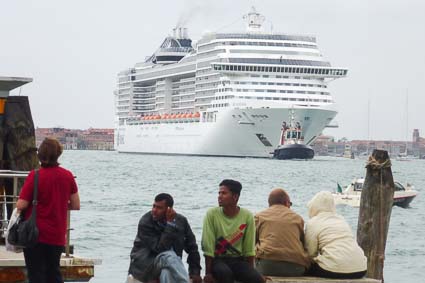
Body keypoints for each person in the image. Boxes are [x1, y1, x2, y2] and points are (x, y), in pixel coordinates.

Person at [16, 137, 81, 283]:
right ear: (58, 154)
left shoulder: (35, 175)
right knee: (54, 273)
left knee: (36, 274)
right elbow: (76, 205)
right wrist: (59, 204)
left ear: (40, 154)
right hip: (57, 234)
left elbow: (21, 205)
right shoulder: (67, 175)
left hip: (35, 234)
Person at [128, 193, 202, 283]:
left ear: (168, 209)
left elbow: (192, 247)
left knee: (166, 273)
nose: (154, 210)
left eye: (159, 208)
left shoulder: (181, 221)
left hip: (169, 266)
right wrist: (170, 225)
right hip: (146, 265)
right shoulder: (146, 222)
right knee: (169, 255)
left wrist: (195, 272)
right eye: (154, 206)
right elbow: (160, 249)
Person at [201, 179, 264, 283]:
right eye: (219, 193)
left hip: (238, 260)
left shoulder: (247, 216)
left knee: (257, 279)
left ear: (235, 197)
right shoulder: (211, 214)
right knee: (225, 274)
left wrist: (251, 271)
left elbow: (249, 250)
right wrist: (208, 274)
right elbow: (208, 247)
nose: (219, 196)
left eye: (224, 193)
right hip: (218, 260)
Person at [305, 191, 367, 279]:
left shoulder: (313, 222)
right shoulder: (341, 220)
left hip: (333, 269)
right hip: (360, 268)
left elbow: (310, 253)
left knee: (305, 269)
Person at [255, 188, 310, 276]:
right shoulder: (297, 218)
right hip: (296, 268)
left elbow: (251, 242)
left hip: (267, 267)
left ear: (269, 203)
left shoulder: (259, 217)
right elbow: (303, 243)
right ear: (286, 202)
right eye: (290, 204)